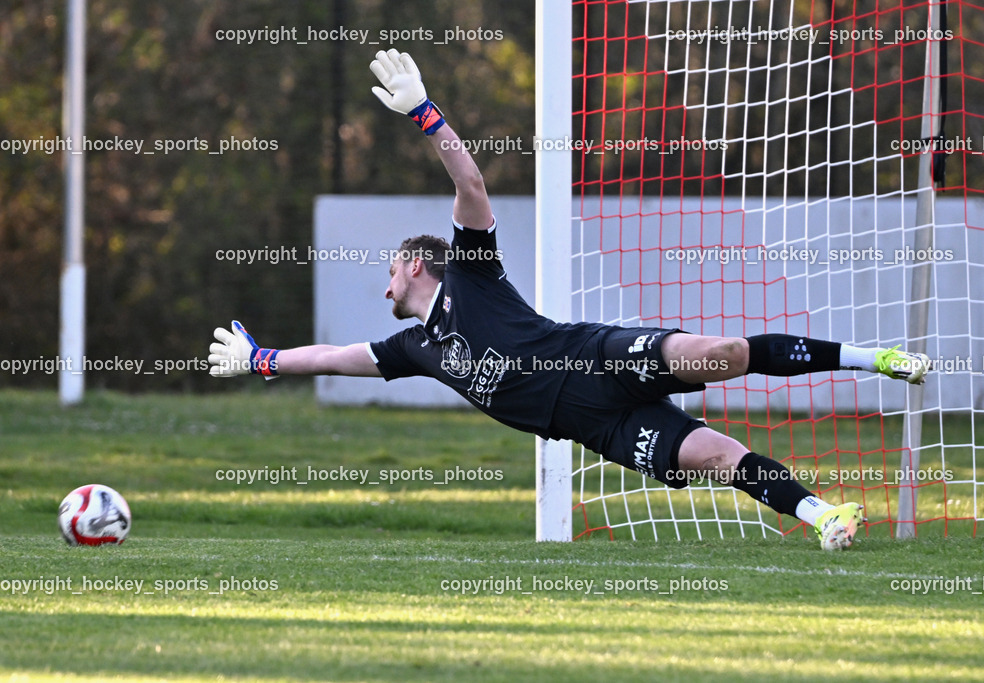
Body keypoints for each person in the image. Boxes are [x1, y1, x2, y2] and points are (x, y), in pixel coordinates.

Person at [208, 49, 930, 550]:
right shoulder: (412, 349)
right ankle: (824, 513)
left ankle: (879, 358)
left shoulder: (470, 272)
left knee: (724, 354)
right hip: (597, 431)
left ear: (416, 263)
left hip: (598, 358)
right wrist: (261, 359)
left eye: (390, 271)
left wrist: (427, 114)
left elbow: (472, 188)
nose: (383, 284)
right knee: (717, 453)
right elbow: (333, 355)